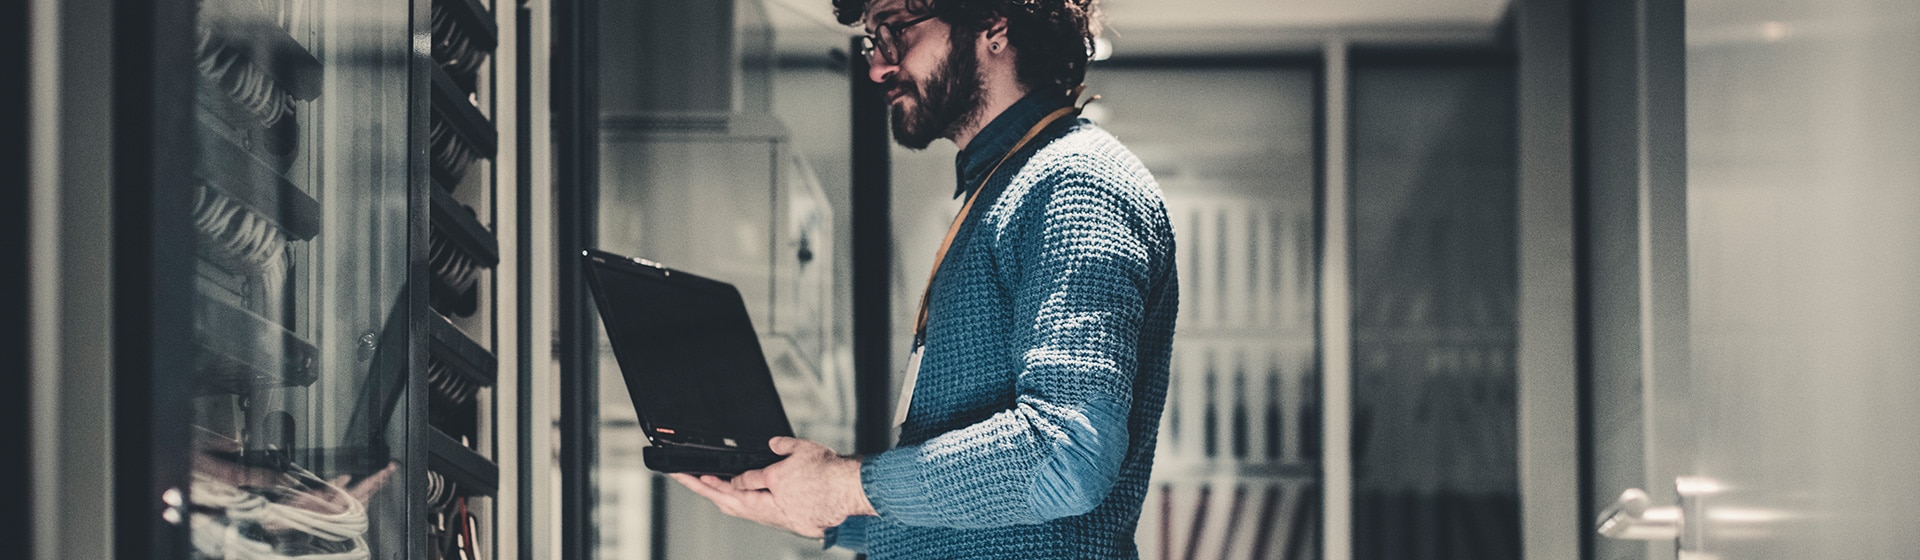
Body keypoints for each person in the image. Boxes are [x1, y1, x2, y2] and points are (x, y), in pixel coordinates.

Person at [671, 0, 1177, 556]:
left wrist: (847, 486)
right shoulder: (1005, 186)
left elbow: (1064, 457)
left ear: (995, 26)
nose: (878, 67)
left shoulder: (1075, 185)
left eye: (894, 32)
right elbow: (994, 513)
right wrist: (825, 513)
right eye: (872, 42)